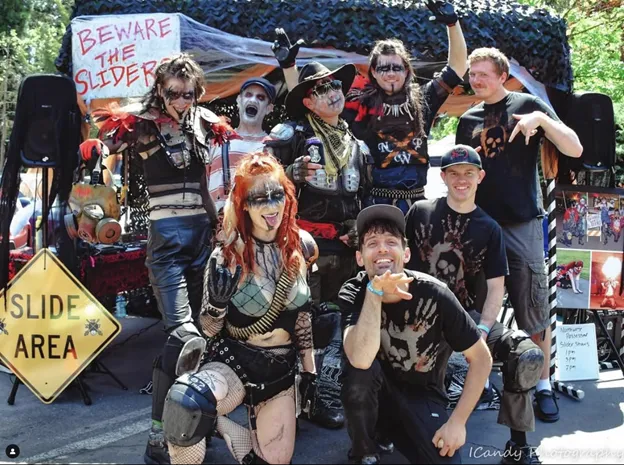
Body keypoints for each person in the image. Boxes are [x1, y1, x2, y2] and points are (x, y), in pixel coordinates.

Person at [79, 54, 237, 465]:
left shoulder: (205, 122)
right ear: (159, 89)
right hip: (165, 237)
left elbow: (204, 183)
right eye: (173, 93)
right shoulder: (142, 124)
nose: (182, 100)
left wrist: (217, 222)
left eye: (189, 93)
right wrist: (96, 149)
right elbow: (106, 144)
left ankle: (193, 422)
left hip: (202, 234)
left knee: (209, 332)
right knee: (182, 334)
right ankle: (156, 432)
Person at [162, 153, 318, 464]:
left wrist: (310, 372)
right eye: (259, 198)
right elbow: (207, 330)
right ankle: (208, 421)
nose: (271, 206)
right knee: (186, 406)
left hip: (279, 371)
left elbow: (303, 318)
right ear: (244, 203)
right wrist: (218, 306)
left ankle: (225, 428)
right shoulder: (227, 256)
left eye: (277, 195)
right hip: (233, 363)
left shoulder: (303, 247)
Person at [455, 47, 583, 427]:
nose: (475, 80)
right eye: (472, 74)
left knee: (532, 303)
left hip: (523, 222)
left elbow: (575, 147)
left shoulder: (528, 104)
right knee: (477, 308)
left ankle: (541, 383)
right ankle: (480, 382)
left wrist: (542, 120)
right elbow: (460, 173)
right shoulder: (467, 119)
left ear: (501, 75)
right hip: (480, 224)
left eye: (482, 74)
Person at [405, 145, 546, 464]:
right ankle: (399, 423)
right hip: (420, 316)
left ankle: (518, 446)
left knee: (525, 354)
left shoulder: (490, 228)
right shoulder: (420, 212)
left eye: (468, 173)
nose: (461, 179)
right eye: (454, 173)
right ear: (443, 176)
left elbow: (497, 286)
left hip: (467, 319)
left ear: (480, 176)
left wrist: (483, 328)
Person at [339, 204, 493, 464]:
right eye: (372, 243)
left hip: (422, 394)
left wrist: (457, 422)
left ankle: (400, 433)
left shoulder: (435, 293)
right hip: (376, 395)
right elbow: (361, 359)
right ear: (359, 257)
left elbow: (481, 358)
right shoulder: (353, 292)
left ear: (406, 254)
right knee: (358, 376)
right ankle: (364, 451)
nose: (383, 249)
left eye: (391, 242)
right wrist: (375, 293)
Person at [265, 59, 370, 429]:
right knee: (301, 326)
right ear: (308, 102)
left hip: (344, 250)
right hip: (303, 248)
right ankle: (293, 400)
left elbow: (365, 197)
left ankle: (325, 394)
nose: (334, 93)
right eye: (323, 89)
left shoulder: (356, 143)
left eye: (336, 87)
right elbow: (260, 185)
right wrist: (288, 173)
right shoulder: (289, 134)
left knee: (341, 324)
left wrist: (360, 229)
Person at [342, 0, 467, 213]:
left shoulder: (423, 98)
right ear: (373, 71)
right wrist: (289, 68)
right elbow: (313, 106)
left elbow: (457, 69)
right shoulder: (358, 103)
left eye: (396, 68)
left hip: (417, 203)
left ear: (407, 70)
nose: (391, 73)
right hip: (374, 204)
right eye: (384, 68)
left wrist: (453, 25)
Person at [208, 77, 277, 213]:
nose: (253, 100)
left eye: (261, 97)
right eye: (248, 95)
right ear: (239, 101)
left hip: (253, 225)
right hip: (214, 226)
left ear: (269, 108)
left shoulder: (273, 146)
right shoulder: (217, 140)